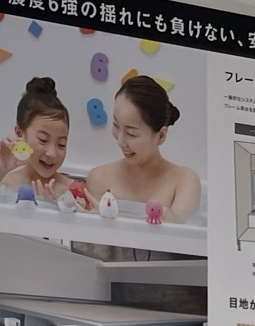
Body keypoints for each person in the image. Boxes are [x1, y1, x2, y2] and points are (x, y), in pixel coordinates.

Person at [82, 75, 202, 221]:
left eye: (131, 133)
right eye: (116, 125)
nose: (120, 141)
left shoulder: (184, 181)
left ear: (161, 136)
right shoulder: (99, 178)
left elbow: (179, 233)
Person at [0, 77, 75, 202]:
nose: (52, 153)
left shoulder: (70, 190)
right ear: (20, 134)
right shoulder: (6, 182)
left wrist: (53, 205)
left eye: (61, 144)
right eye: (43, 140)